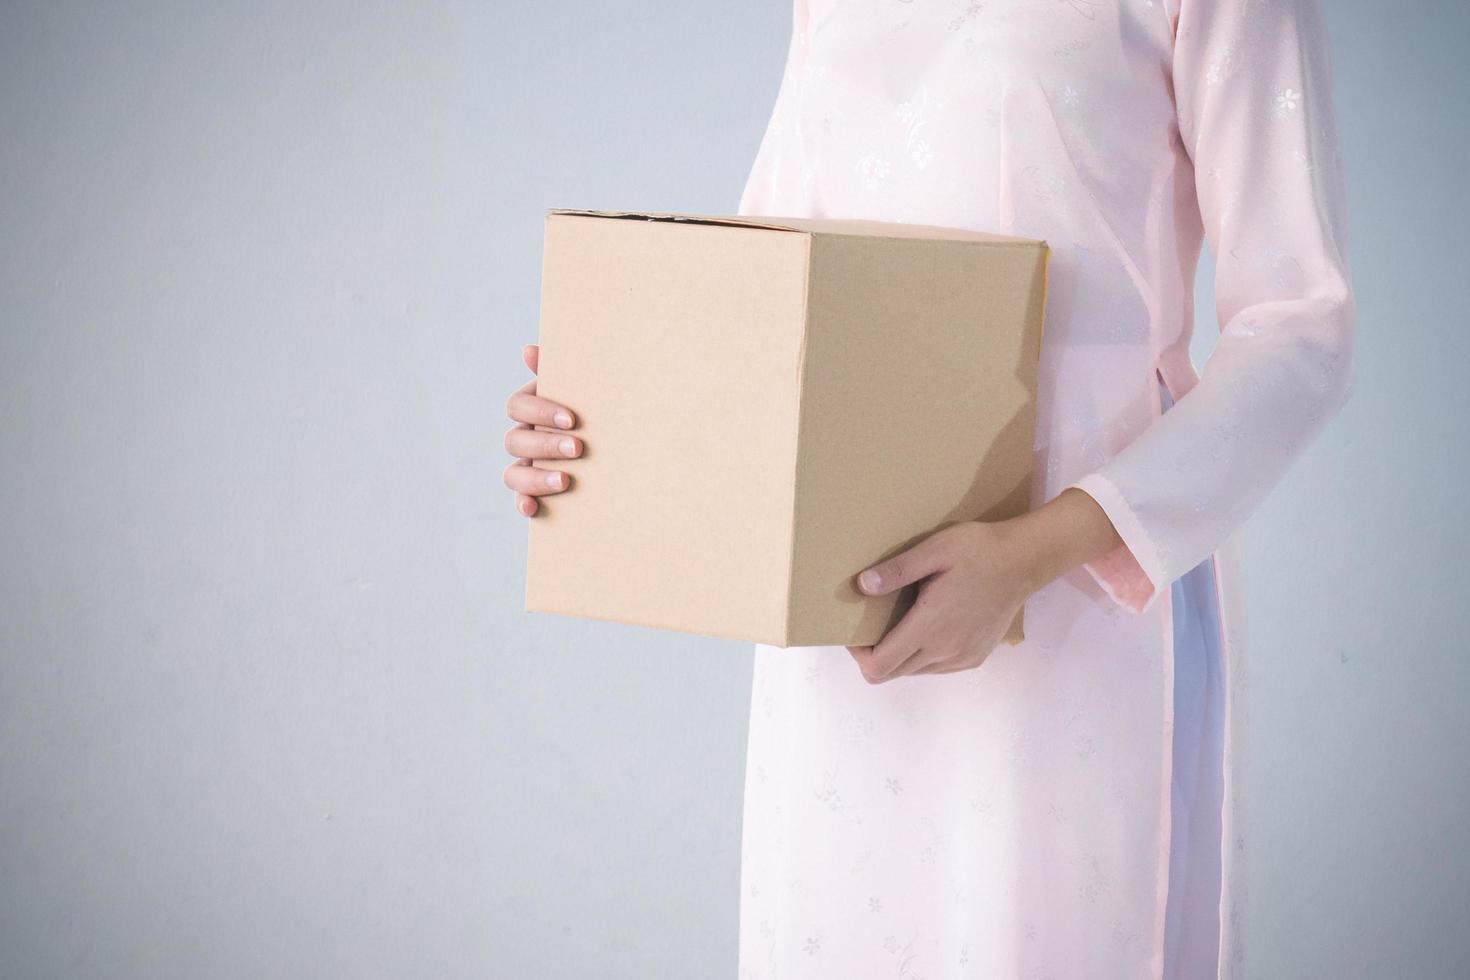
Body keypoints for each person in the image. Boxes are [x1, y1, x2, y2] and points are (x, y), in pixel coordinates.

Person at [504, 0, 1354, 976]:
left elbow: (1303, 325)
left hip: (1082, 599)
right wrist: (602, 426)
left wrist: (1033, 552)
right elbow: (770, 283)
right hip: (847, 601)